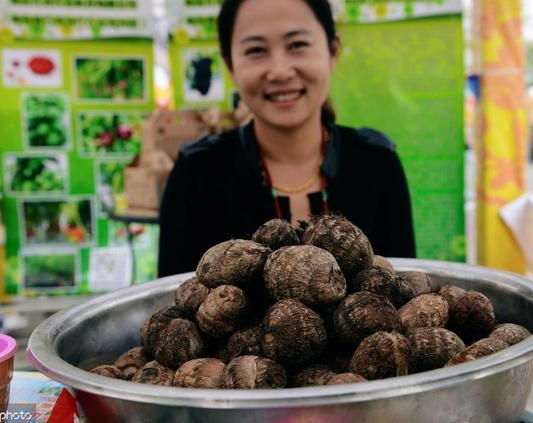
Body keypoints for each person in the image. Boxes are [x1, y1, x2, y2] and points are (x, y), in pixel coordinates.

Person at [157, 0, 416, 277]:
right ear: (230, 65)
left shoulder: (377, 164)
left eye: (297, 45)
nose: (280, 71)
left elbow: (401, 292)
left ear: (332, 51)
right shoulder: (197, 172)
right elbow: (173, 301)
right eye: (256, 50)